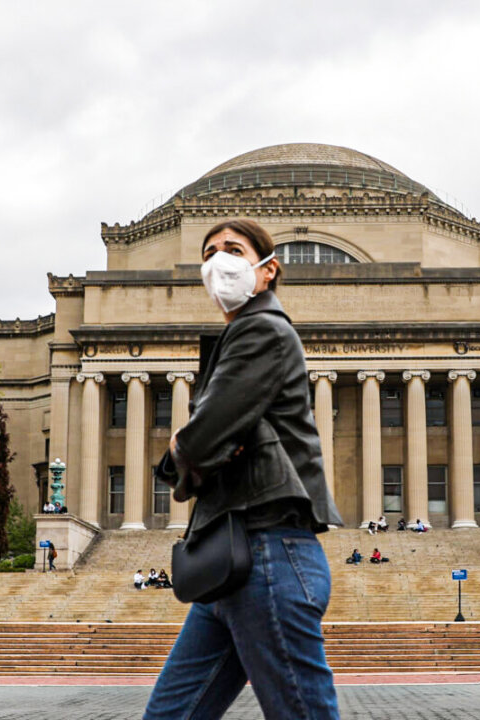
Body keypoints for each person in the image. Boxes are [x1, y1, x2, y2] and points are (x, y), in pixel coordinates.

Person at [146, 219, 343, 720]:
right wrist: (198, 449)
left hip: (267, 554)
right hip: (229, 560)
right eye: (209, 253)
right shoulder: (240, 334)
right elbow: (211, 440)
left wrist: (182, 450)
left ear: (268, 269)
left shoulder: (262, 329)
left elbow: (203, 437)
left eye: (233, 250)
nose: (219, 262)